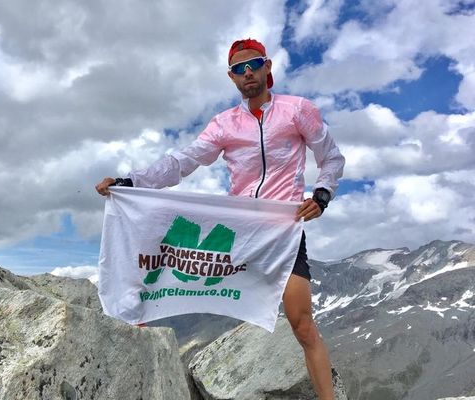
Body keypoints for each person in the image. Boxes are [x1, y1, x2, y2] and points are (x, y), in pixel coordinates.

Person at [96, 38, 344, 400]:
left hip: (282, 232)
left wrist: (322, 195)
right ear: (231, 78)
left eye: (254, 64)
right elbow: (184, 160)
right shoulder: (224, 123)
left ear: (268, 66)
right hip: (238, 233)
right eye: (238, 69)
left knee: (303, 325)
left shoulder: (297, 110)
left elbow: (331, 158)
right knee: (160, 267)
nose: (248, 74)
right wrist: (132, 183)